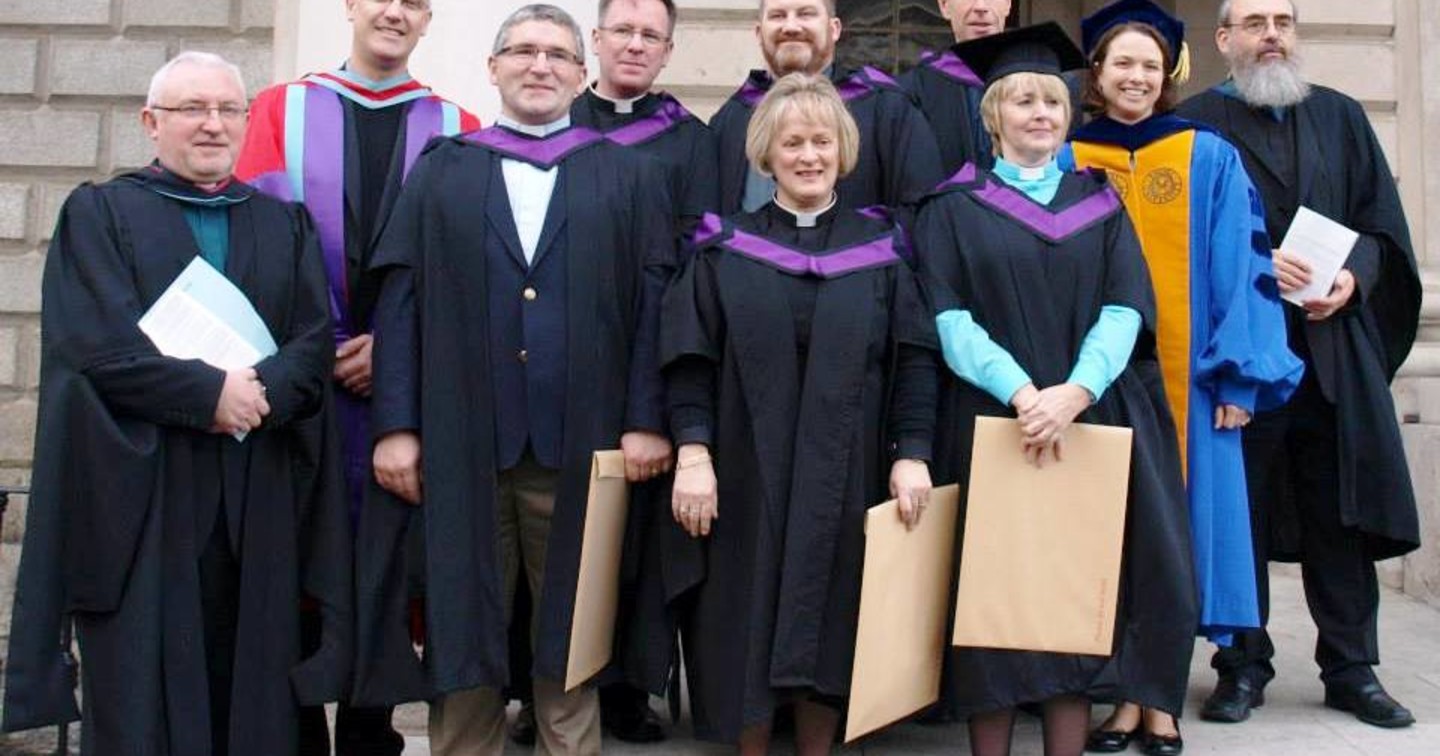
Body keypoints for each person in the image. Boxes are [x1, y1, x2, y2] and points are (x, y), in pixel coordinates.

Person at [1, 52, 350, 756]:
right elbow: (94, 347)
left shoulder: (284, 225)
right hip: (149, 492)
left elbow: (313, 343)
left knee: (257, 683)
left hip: (259, 493)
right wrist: (208, 394)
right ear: (151, 122)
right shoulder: (102, 215)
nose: (213, 124)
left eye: (228, 110)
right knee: (145, 687)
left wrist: (262, 394)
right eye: (193, 108)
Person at [351, 5, 676, 754]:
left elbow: (654, 304)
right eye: (523, 51)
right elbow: (400, 303)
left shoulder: (629, 176)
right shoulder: (442, 170)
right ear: (492, 68)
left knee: (573, 629)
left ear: (581, 74)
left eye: (557, 55)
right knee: (463, 628)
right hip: (464, 442)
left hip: (582, 441)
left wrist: (645, 417)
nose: (540, 66)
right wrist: (397, 426)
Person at [915, 23, 1195, 756]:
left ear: (1069, 117)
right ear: (993, 114)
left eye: (1053, 103)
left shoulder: (1099, 202)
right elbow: (946, 317)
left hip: (1084, 421)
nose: (1040, 114)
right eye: (1023, 102)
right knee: (995, 607)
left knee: (1071, 599)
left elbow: (1127, 305)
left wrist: (1072, 392)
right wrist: (1021, 394)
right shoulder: (949, 206)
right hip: (991, 424)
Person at [662, 71, 936, 755]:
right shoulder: (724, 250)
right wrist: (693, 454)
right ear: (767, 154)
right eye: (792, 144)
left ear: (843, 150)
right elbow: (689, 360)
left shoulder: (882, 257)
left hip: (848, 474)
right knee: (745, 612)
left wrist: (912, 453)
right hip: (747, 475)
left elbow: (915, 361)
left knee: (835, 610)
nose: (808, 156)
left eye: (820, 141)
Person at [1060, 3, 1306, 753]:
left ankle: (1159, 701)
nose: (1135, 76)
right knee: (1105, 537)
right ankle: (1120, 696)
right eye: (1120, 63)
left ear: (1168, 74)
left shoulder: (1206, 155)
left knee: (1178, 540)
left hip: (1188, 387)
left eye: (1148, 64)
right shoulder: (1068, 157)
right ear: (1096, 76)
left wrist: (1240, 379)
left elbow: (1245, 268)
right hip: (1089, 388)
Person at [234, 2, 478, 752]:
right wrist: (323, 343)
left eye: (412, 1)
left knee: (390, 564)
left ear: (427, 17)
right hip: (301, 388)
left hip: (398, 396)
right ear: (350, 6)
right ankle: (300, 727)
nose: (394, 11)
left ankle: (373, 730)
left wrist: (392, 347)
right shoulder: (281, 110)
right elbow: (255, 246)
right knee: (295, 556)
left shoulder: (459, 129)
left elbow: (465, 267)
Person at [1177, 0, 1423, 730]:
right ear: (1224, 40)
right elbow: (1178, 241)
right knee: (1239, 509)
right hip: (1238, 358)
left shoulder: (1342, 117)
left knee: (1337, 513)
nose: (1272, 34)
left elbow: (1382, 229)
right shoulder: (1196, 124)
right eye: (1254, 22)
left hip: (1328, 352)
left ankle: (1351, 667)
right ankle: (1241, 665)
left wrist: (1353, 279)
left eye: (1283, 21)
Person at [564, 0, 720, 742]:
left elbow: (695, 271)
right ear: (595, 41)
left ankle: (626, 685)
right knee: (549, 531)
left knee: (632, 543)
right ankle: (542, 685)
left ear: (667, 52)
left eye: (649, 36)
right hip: (554, 368)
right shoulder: (545, 125)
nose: (633, 45)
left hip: (643, 362)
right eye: (620, 31)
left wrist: (658, 401)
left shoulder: (689, 143)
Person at [710, 0, 943, 217]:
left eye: (806, 14)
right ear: (759, 33)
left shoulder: (887, 109)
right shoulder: (731, 118)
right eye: (778, 15)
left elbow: (922, 213)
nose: (790, 26)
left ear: (834, 30)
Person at [902, 0, 1012, 175]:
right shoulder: (911, 93)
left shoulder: (1050, 91)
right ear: (944, 6)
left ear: (1008, 4)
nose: (981, 6)